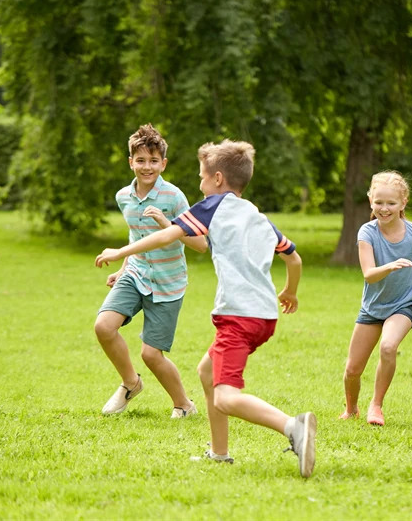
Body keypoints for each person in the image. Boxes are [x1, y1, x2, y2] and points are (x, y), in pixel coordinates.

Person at [96, 139, 317, 478]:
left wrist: (120, 252)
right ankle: (219, 452)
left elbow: (167, 236)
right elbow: (293, 257)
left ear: (216, 178)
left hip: (239, 317)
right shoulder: (257, 216)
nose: (199, 184)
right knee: (207, 372)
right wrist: (290, 291)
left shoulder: (211, 206)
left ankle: (294, 427)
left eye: (201, 177)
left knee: (226, 397)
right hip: (263, 316)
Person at [95, 124, 208, 418]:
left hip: (168, 283)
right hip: (135, 273)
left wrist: (168, 225)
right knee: (104, 327)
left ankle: (184, 405)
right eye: (141, 160)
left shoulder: (174, 197)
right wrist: (123, 269)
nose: (147, 167)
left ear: (164, 163)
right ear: (131, 161)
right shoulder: (124, 197)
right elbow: (136, 236)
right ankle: (130, 384)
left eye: (154, 161)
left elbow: (201, 244)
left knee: (151, 355)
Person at [340, 170, 412, 426]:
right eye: (379, 202)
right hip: (373, 307)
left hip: (403, 305)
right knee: (352, 370)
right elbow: (369, 275)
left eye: (391, 203)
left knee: (388, 347)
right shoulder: (367, 233)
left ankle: (376, 406)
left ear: (403, 203)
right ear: (371, 201)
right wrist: (391, 266)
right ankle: (351, 409)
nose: (384, 209)